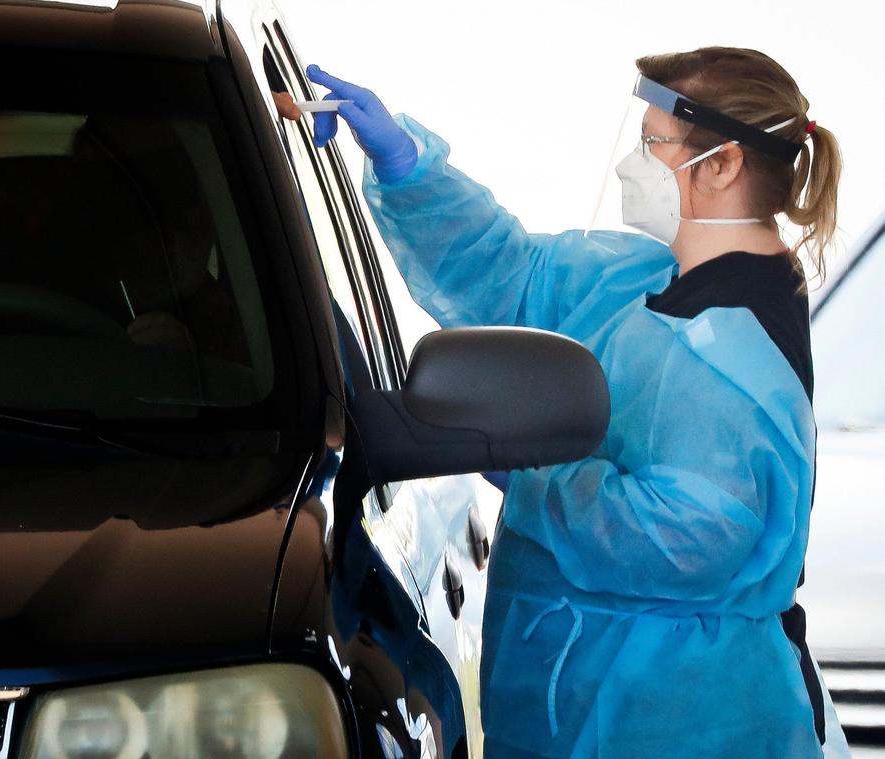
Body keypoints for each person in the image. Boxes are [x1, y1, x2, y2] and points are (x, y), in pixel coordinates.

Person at [304, 48, 848, 757]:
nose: (634, 163)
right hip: (605, 704)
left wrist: (532, 478)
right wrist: (409, 168)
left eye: (654, 144)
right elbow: (519, 275)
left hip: (674, 720)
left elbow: (686, 537)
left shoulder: (735, 355)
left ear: (721, 166)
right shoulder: (651, 280)